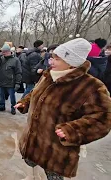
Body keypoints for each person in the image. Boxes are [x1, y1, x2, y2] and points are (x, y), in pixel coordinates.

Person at [15, 38, 111, 179]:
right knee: (32, 165)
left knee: (53, 175)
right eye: (51, 57)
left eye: (57, 59)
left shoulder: (91, 87)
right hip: (33, 141)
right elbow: (36, 92)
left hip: (56, 150)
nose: (50, 62)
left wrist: (72, 130)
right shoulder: (48, 75)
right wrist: (26, 102)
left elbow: (103, 119)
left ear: (72, 63)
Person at [0, 44, 22, 115]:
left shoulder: (15, 60)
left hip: (11, 82)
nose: (3, 53)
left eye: (5, 52)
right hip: (1, 81)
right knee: (1, 95)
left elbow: (18, 72)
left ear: (9, 51)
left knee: (12, 97)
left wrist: (18, 83)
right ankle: (2, 105)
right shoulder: (1, 58)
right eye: (2, 52)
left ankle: (13, 108)